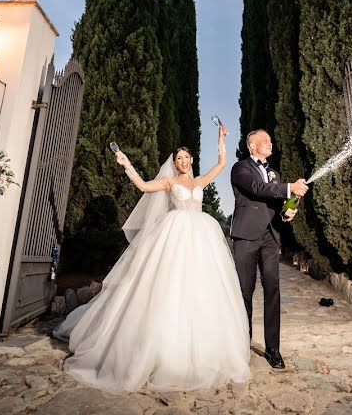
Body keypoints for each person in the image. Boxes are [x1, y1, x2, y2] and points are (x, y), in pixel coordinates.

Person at [53, 125, 250, 392]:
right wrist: (126, 164)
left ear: (191, 160)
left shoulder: (199, 181)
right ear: (174, 162)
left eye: (186, 157)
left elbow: (222, 163)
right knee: (166, 285)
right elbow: (144, 187)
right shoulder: (170, 182)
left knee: (202, 287)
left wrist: (220, 139)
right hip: (174, 235)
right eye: (178, 158)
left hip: (201, 236)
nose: (183, 161)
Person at [230, 129, 308, 369]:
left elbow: (277, 203)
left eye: (270, 140)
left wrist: (288, 212)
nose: (270, 143)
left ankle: (273, 349)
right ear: (252, 146)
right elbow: (256, 188)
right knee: (244, 291)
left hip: (271, 238)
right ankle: (242, 345)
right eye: (265, 140)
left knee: (272, 289)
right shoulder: (240, 168)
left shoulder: (275, 173)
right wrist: (289, 188)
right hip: (246, 236)